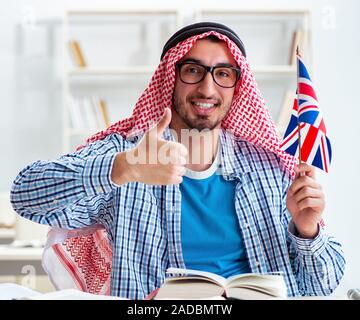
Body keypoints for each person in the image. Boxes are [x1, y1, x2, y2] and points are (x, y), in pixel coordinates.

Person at [10, 22, 345, 299]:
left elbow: (321, 286)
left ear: (237, 87)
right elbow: (24, 195)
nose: (207, 88)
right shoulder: (128, 154)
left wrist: (307, 230)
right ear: (171, 77)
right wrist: (124, 168)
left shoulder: (270, 169)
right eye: (193, 70)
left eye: (223, 74)